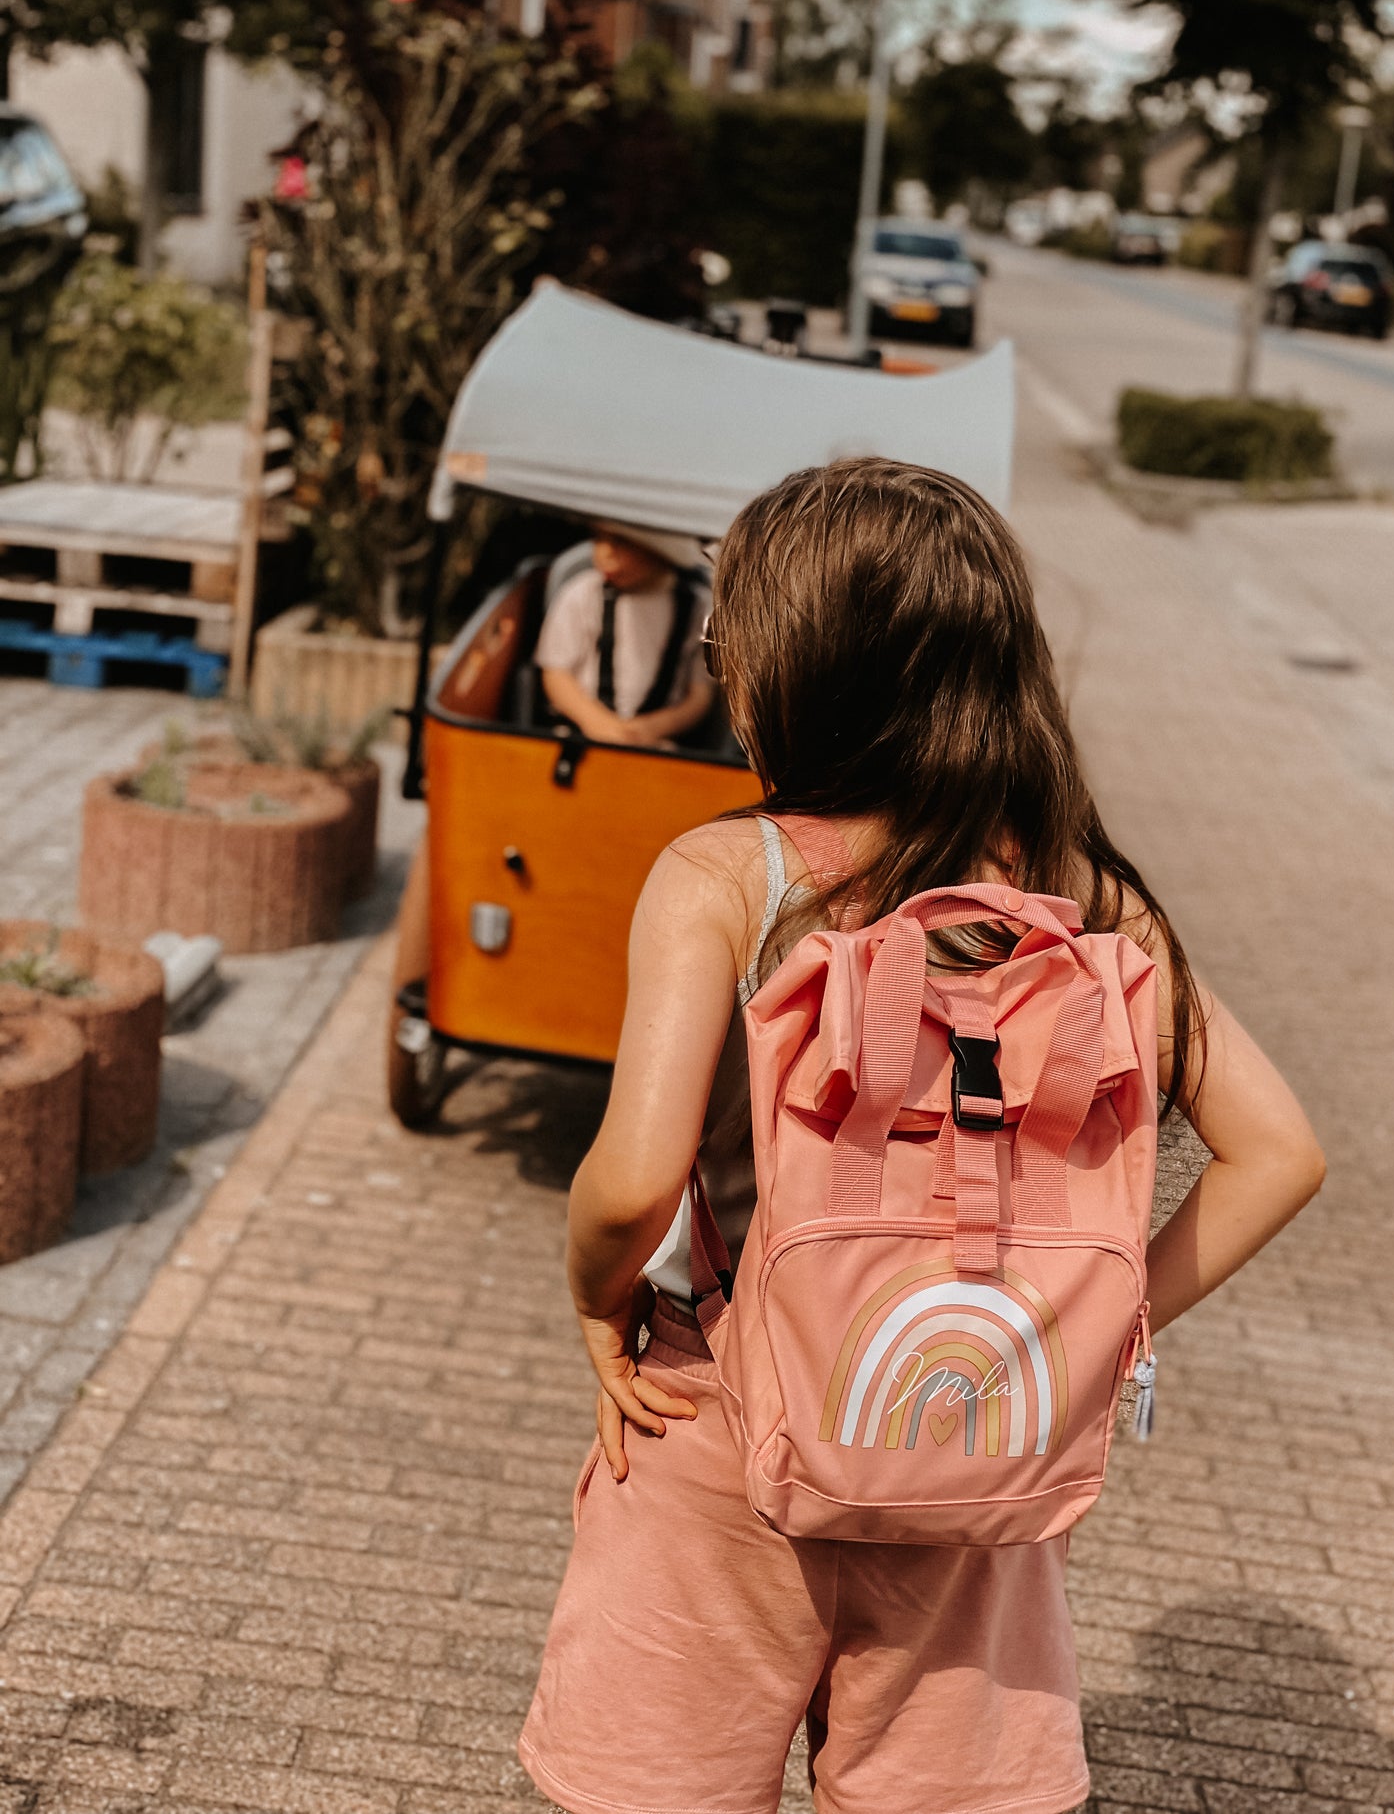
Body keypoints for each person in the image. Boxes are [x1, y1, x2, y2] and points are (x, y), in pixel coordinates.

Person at [518, 458, 1325, 1814]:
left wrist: (595, 1300)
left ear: (792, 671)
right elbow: (1280, 1152)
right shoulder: (1082, 891)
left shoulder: (725, 873)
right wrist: (1082, 1343)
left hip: (722, 1422)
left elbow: (635, 1173)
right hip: (971, 1438)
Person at [535, 520, 714, 748]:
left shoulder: (698, 608)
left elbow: (700, 696)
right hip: (582, 733)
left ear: (659, 550)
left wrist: (648, 729)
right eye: (598, 538)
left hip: (656, 741)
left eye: (620, 542)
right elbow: (556, 675)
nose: (603, 553)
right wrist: (600, 725)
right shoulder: (581, 594)